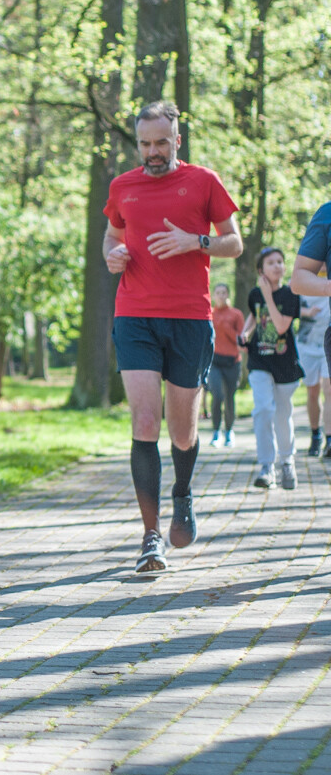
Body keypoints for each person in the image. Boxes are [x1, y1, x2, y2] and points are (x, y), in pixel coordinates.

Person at [103, 101, 242, 574]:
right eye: (145, 144)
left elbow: (234, 240)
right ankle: (150, 537)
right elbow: (111, 236)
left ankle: (182, 492)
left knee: (182, 430)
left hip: (188, 318)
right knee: (145, 421)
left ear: (177, 140)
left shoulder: (203, 181)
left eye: (161, 143)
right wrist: (113, 255)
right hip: (135, 315)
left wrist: (195, 241)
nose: (152, 152)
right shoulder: (123, 186)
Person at [241, 247, 303, 490]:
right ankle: (267, 466)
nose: (277, 266)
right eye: (271, 263)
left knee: (282, 415)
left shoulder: (290, 295)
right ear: (261, 270)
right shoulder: (255, 294)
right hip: (259, 361)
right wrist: (245, 334)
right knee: (263, 410)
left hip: (285, 364)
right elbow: (254, 316)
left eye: (280, 262)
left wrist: (268, 295)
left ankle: (287, 460)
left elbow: (279, 327)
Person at [292, 202, 331, 460]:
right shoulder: (327, 214)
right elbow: (298, 279)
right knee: (315, 391)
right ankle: (320, 435)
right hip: (309, 344)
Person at [208, 283, 244, 448]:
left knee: (230, 397)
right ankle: (216, 431)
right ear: (214, 295)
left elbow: (241, 341)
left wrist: (227, 328)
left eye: (224, 292)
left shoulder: (236, 314)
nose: (221, 296)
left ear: (228, 294)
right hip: (214, 361)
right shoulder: (209, 314)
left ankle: (229, 432)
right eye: (218, 293)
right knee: (217, 395)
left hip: (232, 362)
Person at [295, 289, 330, 457]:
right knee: (312, 392)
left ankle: (329, 439)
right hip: (306, 344)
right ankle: (315, 434)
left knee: (329, 390)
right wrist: (306, 312)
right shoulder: (302, 278)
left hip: (327, 343)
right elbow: (286, 307)